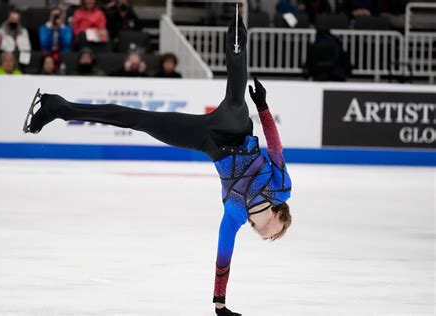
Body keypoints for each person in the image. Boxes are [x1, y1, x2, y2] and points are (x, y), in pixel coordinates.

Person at [23, 15, 292, 316]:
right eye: (277, 234)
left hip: (209, 143)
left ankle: (57, 107)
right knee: (235, 93)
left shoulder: (236, 216)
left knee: (139, 121)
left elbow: (223, 258)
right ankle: (237, 26)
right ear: (281, 218)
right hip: (237, 130)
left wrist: (220, 303)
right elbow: (276, 146)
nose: (270, 237)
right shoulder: (282, 189)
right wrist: (264, 107)